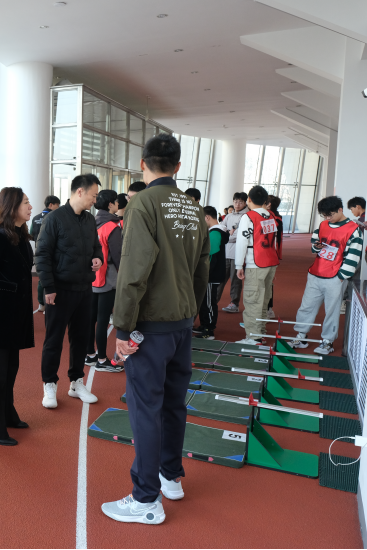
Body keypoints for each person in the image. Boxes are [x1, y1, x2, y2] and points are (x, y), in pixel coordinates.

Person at [103, 133, 209, 525]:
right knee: (174, 404)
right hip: (181, 324)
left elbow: (133, 270)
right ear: (178, 166)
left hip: (150, 326)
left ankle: (146, 498)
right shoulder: (194, 208)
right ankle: (170, 476)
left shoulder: (143, 203)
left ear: (142, 164)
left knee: (145, 409)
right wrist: (190, 312)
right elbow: (201, 270)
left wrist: (123, 327)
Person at [36, 174, 103, 409]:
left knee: (81, 339)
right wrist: (49, 287)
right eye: (93, 195)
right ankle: (49, 384)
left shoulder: (90, 220)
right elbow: (42, 255)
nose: (95, 200)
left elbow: (96, 247)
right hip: (60, 291)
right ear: (80, 192)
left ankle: (76, 382)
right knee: (54, 340)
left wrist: (98, 258)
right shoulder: (54, 219)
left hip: (84, 289)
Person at [0, 188, 35, 446]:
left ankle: (7, 413)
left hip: (17, 312)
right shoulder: (0, 238)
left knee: (11, 368)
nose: (30, 206)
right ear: (12, 207)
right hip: (2, 314)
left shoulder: (20, 236)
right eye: (26, 203)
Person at [289, 196, 363, 354]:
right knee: (306, 307)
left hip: (335, 277)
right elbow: (314, 246)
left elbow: (354, 256)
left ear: (340, 210)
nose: (327, 218)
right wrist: (316, 246)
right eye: (324, 215)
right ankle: (301, 336)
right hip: (316, 272)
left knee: (332, 310)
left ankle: (327, 341)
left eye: (330, 215)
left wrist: (341, 276)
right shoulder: (323, 225)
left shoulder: (353, 229)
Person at [234, 186, 280, 345]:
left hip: (255, 263)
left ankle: (253, 337)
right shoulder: (271, 215)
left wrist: (238, 265)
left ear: (249, 199)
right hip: (270, 261)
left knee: (253, 300)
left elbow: (242, 242)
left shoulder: (248, 217)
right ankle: (260, 333)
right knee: (264, 299)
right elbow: (274, 240)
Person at [85, 190, 124, 373]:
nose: (118, 204)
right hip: (107, 279)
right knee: (103, 321)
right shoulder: (112, 227)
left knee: (90, 318)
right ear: (110, 204)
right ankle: (102, 359)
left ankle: (90, 354)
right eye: (116, 201)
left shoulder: (90, 222)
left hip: (91, 277)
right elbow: (118, 256)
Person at [193, 206, 227, 340]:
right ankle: (204, 325)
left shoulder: (215, 233)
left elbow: (210, 257)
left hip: (210, 275)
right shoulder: (218, 231)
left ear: (207, 217)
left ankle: (209, 330)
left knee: (208, 303)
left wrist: (204, 274)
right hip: (211, 274)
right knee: (204, 301)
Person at [220, 192, 249, 312]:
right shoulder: (229, 216)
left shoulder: (246, 216)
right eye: (235, 201)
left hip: (238, 254)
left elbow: (239, 236)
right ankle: (213, 300)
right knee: (220, 278)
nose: (237, 204)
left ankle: (234, 303)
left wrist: (227, 235)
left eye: (240, 202)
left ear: (245, 203)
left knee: (235, 280)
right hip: (226, 252)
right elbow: (221, 229)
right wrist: (228, 234)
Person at [31, 195, 60, 312]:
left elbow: (31, 234)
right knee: (53, 278)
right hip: (53, 252)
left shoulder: (35, 218)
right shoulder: (55, 217)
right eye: (57, 205)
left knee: (41, 278)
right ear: (51, 205)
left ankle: (41, 304)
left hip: (39, 251)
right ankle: (51, 305)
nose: (58, 208)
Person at [264, 195, 283, 319]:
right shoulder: (277, 217)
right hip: (273, 255)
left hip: (266, 255)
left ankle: (265, 310)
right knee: (268, 283)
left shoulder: (270, 218)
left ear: (269, 204)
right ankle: (268, 309)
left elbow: (266, 238)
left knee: (265, 283)